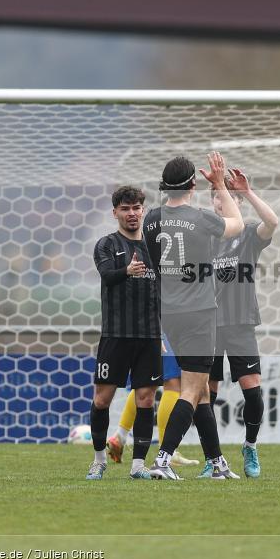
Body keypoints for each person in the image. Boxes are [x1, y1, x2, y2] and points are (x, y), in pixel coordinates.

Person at [149, 152, 244, 481]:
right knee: (191, 389)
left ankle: (217, 463)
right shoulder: (201, 218)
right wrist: (220, 185)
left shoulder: (151, 219)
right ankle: (162, 460)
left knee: (201, 388)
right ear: (193, 184)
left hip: (168, 314)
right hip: (200, 313)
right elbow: (238, 225)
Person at [201, 168, 278, 479]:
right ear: (214, 204)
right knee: (207, 393)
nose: (224, 202)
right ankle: (212, 458)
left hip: (241, 324)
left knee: (253, 392)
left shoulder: (248, 235)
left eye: (230, 198)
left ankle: (250, 446)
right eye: (220, 198)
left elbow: (273, 222)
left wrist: (246, 191)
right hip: (208, 325)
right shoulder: (204, 239)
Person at [87, 186, 161, 481]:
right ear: (115, 212)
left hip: (150, 336)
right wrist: (127, 271)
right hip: (116, 335)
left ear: (143, 210)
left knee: (145, 399)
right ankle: (98, 460)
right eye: (125, 209)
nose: (132, 214)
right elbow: (106, 275)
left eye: (136, 208)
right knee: (102, 399)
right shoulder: (106, 244)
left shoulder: (155, 248)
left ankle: (138, 465)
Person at [105, 334, 199, 467]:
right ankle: (166, 451)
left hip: (146, 329)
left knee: (147, 384)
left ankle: (120, 436)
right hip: (163, 326)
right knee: (173, 382)